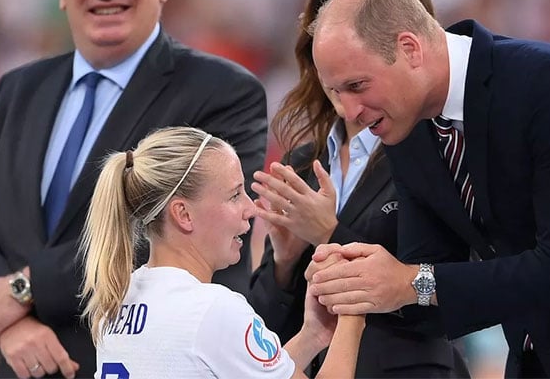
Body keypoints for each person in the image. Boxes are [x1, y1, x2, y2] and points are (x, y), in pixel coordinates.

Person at [305, 0, 550, 378]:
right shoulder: (406, 130)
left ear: (409, 48)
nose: (348, 111)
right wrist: (353, 277)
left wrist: (410, 282)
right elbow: (429, 295)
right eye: (335, 94)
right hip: (537, 361)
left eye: (356, 86)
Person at [0, 0, 266, 377]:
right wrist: (8, 322)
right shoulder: (17, 90)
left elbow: (198, 229)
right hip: (20, 364)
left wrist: (25, 290)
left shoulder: (223, 91)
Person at [249, 0, 469, 377]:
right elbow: (263, 335)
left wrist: (329, 233)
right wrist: (283, 261)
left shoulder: (438, 148)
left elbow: (439, 296)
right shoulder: (305, 162)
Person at [80, 126, 365, 378]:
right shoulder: (212, 309)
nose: (251, 209)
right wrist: (353, 307)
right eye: (234, 195)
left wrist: (311, 336)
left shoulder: (118, 297)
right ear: (184, 214)